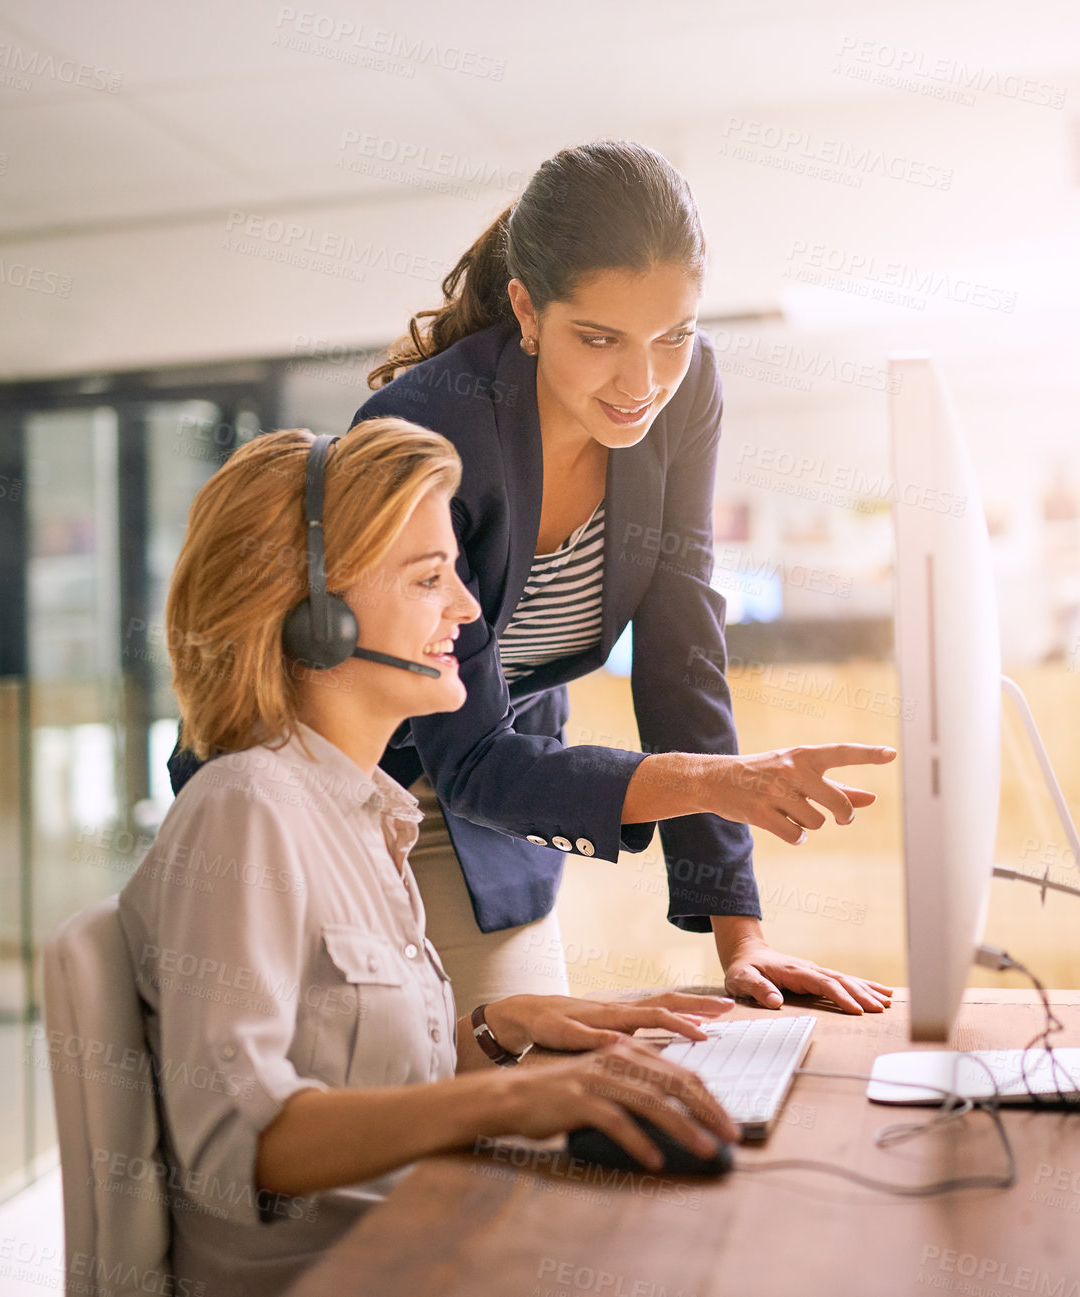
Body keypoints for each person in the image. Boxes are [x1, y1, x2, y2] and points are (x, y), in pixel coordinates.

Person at [171, 139, 896, 1018]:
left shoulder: (683, 388)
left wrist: (742, 934)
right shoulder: (432, 426)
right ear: (527, 307)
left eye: (674, 335)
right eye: (600, 339)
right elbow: (466, 753)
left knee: (525, 1071)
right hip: (335, 778)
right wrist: (709, 781)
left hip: (501, 783)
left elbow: (683, 656)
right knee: (421, 1080)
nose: (644, 381)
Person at [122, 420, 739, 1297]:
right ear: (316, 616)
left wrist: (506, 1027)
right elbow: (242, 1139)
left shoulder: (363, 812)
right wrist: (512, 1101)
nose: (469, 606)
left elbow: (362, 1082)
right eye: (428, 577)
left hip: (430, 1239)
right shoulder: (244, 809)